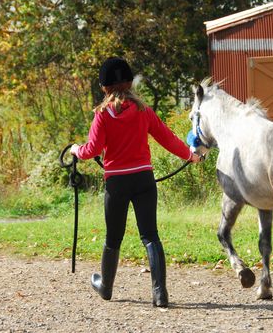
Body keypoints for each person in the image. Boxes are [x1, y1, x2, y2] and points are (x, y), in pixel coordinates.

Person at [70, 57, 200, 308]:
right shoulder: (144, 111)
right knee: (150, 235)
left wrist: (76, 149)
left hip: (116, 183)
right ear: (130, 83)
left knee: (113, 238)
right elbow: (167, 138)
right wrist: (189, 155)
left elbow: (92, 150)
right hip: (144, 179)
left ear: (104, 87)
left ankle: (105, 287)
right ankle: (160, 293)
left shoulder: (102, 115)